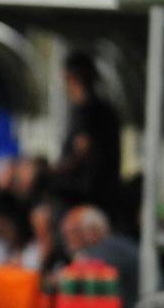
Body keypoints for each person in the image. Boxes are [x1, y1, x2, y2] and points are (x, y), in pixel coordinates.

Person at [48, 50, 122, 223]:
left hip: (86, 197)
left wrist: (50, 171)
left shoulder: (88, 110)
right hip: (99, 195)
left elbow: (82, 152)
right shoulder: (101, 108)